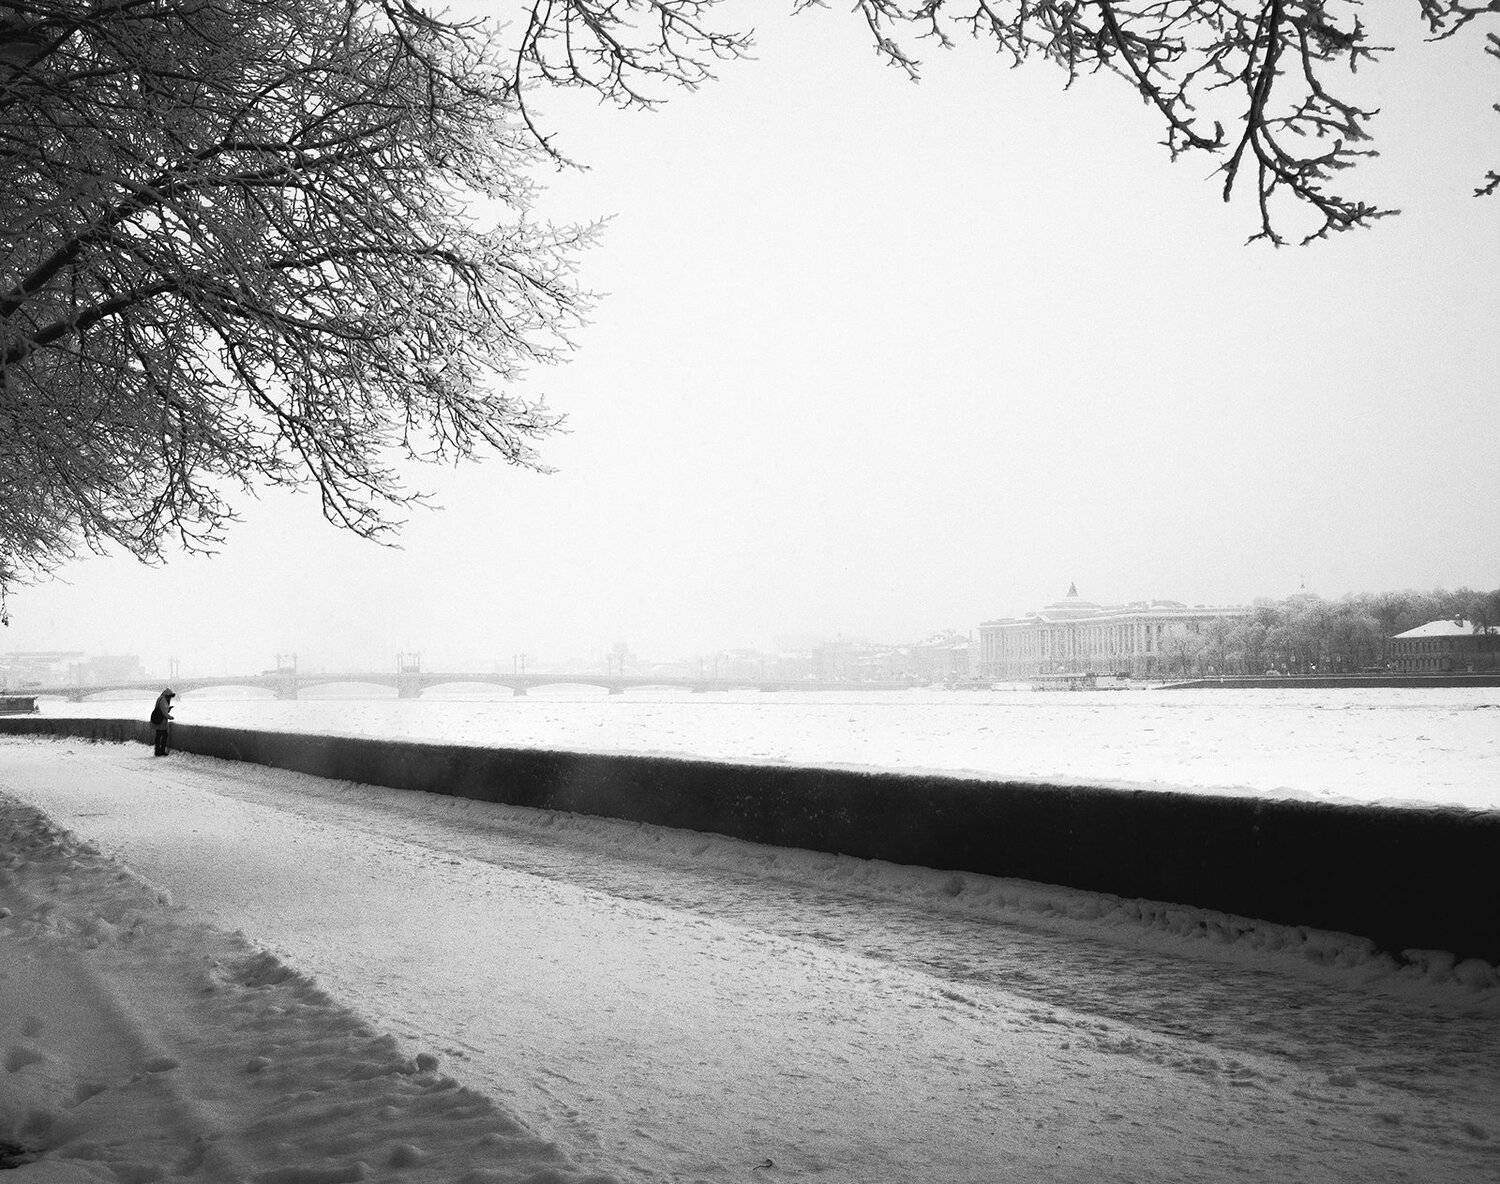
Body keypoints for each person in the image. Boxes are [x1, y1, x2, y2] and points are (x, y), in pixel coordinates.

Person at [150, 688, 175, 756]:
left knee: (158, 735)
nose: (170, 698)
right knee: (164, 735)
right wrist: (170, 717)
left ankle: (157, 751)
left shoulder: (160, 698)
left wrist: (168, 708)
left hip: (157, 720)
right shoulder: (163, 700)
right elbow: (164, 712)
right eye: (170, 696)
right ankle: (161, 751)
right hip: (161, 721)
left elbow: (161, 709)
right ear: (167, 695)